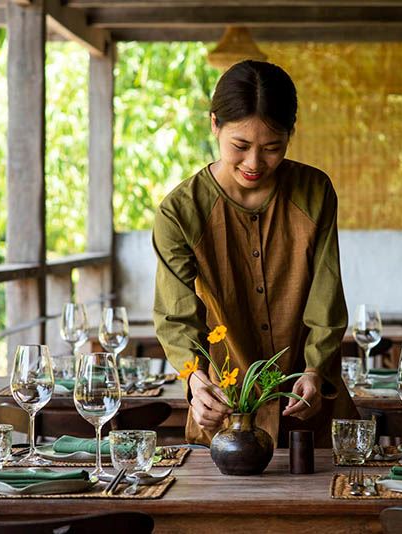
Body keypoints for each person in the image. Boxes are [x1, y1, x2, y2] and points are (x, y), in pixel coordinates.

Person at [152, 60, 358, 447]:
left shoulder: (314, 192)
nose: (254, 163)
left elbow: (326, 296)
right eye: (240, 146)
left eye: (272, 148)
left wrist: (314, 371)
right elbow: (175, 317)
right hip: (226, 414)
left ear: (290, 135)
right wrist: (196, 381)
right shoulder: (180, 211)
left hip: (309, 406)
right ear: (215, 124)